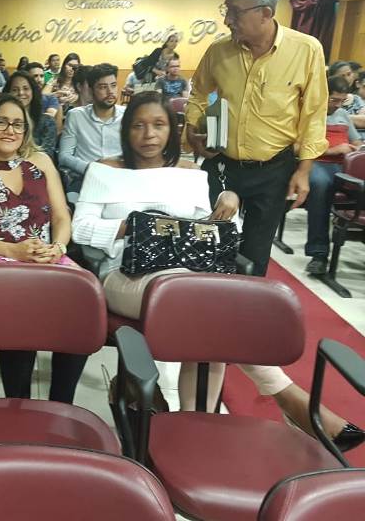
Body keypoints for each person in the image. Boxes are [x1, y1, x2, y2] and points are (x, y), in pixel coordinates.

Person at [73, 91, 363, 448]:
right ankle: (284, 393)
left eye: (159, 125)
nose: (149, 134)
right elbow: (80, 229)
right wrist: (140, 226)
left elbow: (216, 233)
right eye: (138, 125)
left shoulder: (191, 173)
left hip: (190, 275)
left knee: (205, 311)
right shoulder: (104, 170)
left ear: (172, 130)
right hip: (125, 274)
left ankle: (195, 429)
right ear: (126, 130)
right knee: (208, 303)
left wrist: (229, 203)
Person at [185, 0, 329, 277]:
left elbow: (314, 113)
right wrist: (194, 128)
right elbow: (198, 94)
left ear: (265, 13)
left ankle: (244, 303)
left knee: (255, 255)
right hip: (223, 164)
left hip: (273, 170)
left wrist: (304, 170)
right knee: (209, 244)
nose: (227, 20)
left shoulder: (306, 50)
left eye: (235, 12)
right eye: (226, 10)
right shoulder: (219, 50)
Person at [0, 93, 83, 403]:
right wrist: (11, 251)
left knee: (82, 302)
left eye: (18, 124)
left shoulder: (41, 161)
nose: (10, 130)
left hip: (43, 257)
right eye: (2, 122)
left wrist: (58, 246)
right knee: (23, 305)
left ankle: (60, 403)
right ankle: (19, 404)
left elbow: (62, 217)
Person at [304, 76, 363, 275]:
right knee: (321, 185)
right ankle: (318, 254)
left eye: (342, 100)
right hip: (318, 162)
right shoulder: (310, 114)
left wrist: (356, 148)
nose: (337, 105)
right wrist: (333, 150)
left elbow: (356, 142)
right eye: (333, 100)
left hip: (344, 165)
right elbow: (299, 146)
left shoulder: (343, 115)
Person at [58, 63, 124, 193]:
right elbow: (64, 156)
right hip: (86, 180)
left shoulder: (127, 115)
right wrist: (91, 168)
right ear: (91, 89)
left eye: (113, 85)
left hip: (120, 178)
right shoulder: (76, 116)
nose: (110, 92)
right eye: (103, 87)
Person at [3, 70, 57, 159]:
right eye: (15, 90)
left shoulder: (47, 122)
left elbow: (47, 155)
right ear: (8, 93)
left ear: (33, 91)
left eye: (26, 88)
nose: (21, 93)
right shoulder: (2, 123)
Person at [328, 60, 365, 130]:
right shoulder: (328, 98)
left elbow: (363, 121)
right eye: (342, 76)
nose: (347, 78)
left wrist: (341, 117)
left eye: (349, 74)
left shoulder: (356, 99)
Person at [25, 61, 62, 131]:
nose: (39, 80)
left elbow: (48, 117)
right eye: (35, 76)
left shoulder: (51, 99)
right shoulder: (22, 98)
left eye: (41, 76)